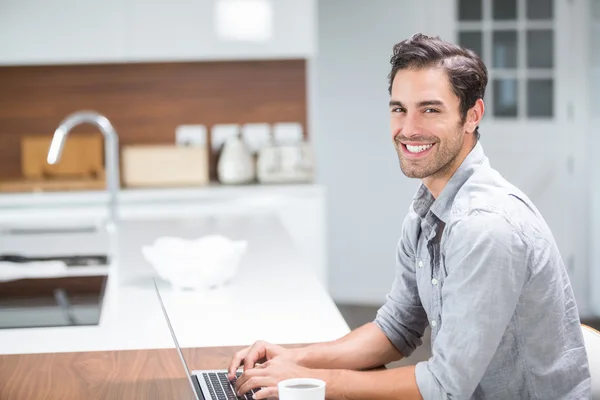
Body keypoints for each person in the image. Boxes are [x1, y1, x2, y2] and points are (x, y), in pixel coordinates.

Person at [227, 33, 592, 399]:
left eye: (430, 109)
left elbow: (445, 387)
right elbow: (396, 328)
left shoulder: (486, 227)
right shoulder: (427, 210)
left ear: (472, 116)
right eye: (399, 108)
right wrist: (294, 359)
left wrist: (309, 383)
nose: (408, 128)